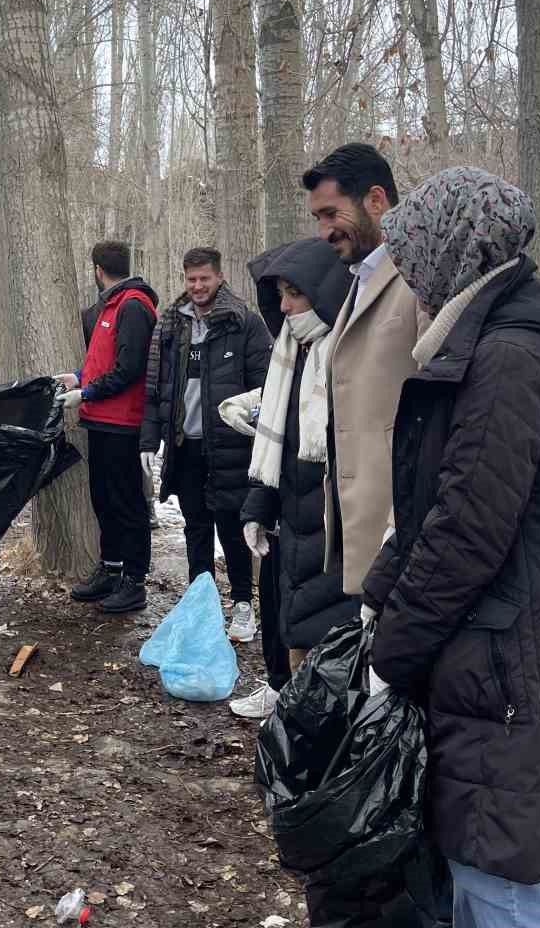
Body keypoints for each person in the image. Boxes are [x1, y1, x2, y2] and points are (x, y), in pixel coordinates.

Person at [364, 168, 540, 928]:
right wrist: (380, 589)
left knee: (505, 877)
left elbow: (467, 535)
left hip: (512, 672)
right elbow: (438, 507)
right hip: (499, 658)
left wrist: (392, 645)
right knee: (481, 864)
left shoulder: (508, 360)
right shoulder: (494, 342)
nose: (410, 281)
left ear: (453, 253)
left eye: (415, 262)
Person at [226, 241, 355, 722]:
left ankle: (313, 714)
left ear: (323, 293)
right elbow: (277, 438)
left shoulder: (345, 355)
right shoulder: (292, 352)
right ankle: (287, 695)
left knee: (326, 630)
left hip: (334, 523)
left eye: (294, 294)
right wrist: (258, 503)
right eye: (279, 293)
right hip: (292, 515)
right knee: (287, 614)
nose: (284, 307)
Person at [302, 142, 423, 598]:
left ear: (376, 200)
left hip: (406, 539)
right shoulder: (359, 279)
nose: (323, 231)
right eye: (318, 218)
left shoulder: (418, 276)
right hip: (368, 541)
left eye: (332, 214)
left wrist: (400, 526)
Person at [141, 247, 272, 641]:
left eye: (204, 279)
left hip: (231, 447)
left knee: (232, 527)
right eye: (191, 279)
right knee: (195, 527)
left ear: (219, 277)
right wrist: (149, 439)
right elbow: (156, 388)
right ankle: (200, 605)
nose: (197, 286)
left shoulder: (243, 323)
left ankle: (244, 606)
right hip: (185, 446)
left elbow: (266, 387)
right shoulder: (171, 326)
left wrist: (248, 421)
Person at [55, 241, 158, 615]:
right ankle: (111, 568)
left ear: (98, 270)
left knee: (127, 501)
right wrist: (78, 378)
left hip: (122, 423)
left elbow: (129, 369)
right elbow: (103, 362)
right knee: (103, 498)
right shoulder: (109, 308)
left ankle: (134, 581)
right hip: (100, 420)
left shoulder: (132, 305)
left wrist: (87, 392)